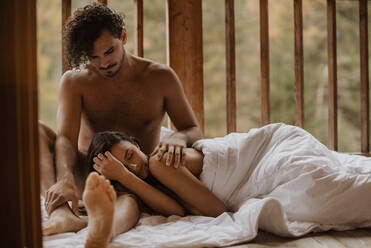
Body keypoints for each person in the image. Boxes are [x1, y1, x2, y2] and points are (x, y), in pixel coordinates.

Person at [40, 2, 202, 236]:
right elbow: (65, 138)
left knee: (129, 202)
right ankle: (61, 213)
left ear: (123, 36)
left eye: (109, 51)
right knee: (34, 131)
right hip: (87, 175)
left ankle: (101, 230)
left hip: (133, 178)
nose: (104, 63)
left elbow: (193, 128)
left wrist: (179, 137)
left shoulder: (160, 77)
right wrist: (65, 179)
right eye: (94, 57)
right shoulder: (75, 81)